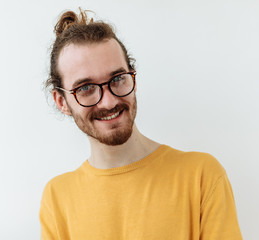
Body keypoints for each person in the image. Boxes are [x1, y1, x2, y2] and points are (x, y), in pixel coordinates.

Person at [40, 9, 242, 240]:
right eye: (85, 88)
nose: (109, 101)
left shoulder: (201, 176)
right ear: (61, 101)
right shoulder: (57, 198)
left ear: (132, 77)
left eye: (117, 79)